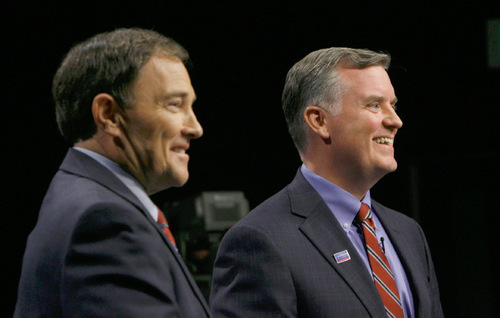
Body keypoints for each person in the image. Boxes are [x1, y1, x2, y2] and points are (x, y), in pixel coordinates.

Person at [210, 47, 444, 317]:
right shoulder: (259, 242)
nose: (395, 121)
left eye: (393, 105)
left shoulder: (409, 234)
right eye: (374, 105)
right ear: (319, 121)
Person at [14, 28, 211, 317]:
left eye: (191, 107)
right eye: (174, 105)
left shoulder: (82, 199)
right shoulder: (105, 222)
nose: (195, 128)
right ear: (109, 114)